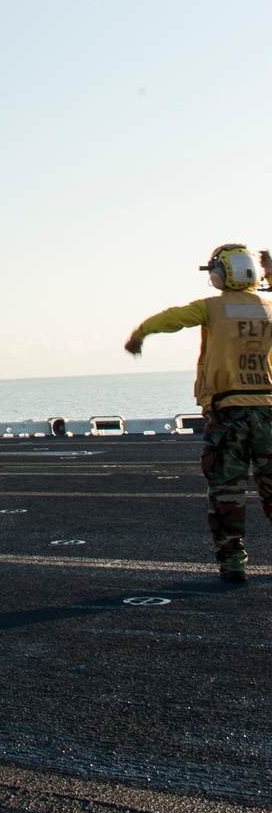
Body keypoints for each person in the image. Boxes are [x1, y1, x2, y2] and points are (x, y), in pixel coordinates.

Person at [124, 244, 272, 584]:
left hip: (228, 413)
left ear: (222, 274)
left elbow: (172, 318)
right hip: (268, 410)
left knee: (226, 490)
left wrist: (140, 334)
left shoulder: (213, 308)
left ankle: (233, 561)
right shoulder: (268, 308)